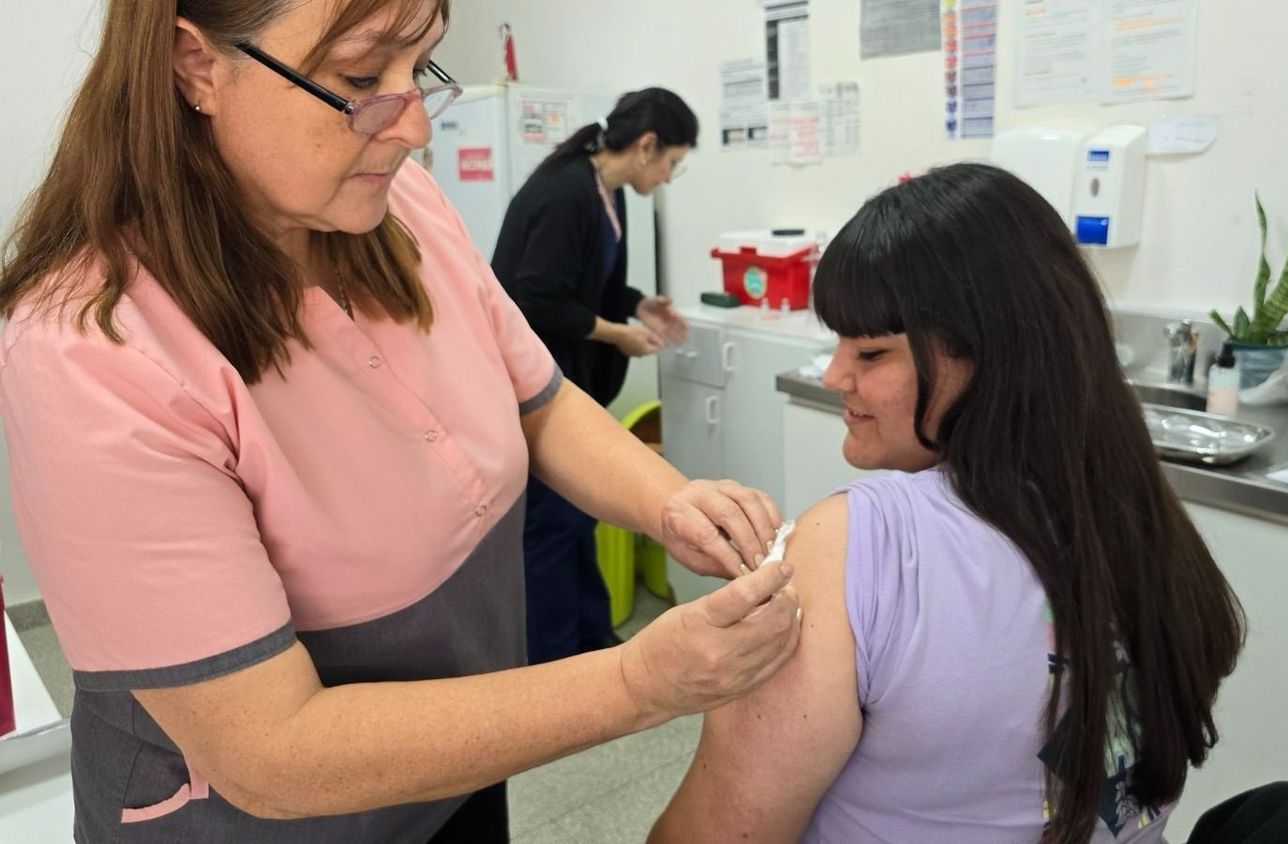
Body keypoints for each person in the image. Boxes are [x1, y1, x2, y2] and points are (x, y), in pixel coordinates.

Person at [0, 1, 800, 840]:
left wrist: (668, 501)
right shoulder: (89, 348)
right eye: (358, 78)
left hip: (453, 771)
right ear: (196, 65)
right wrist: (642, 682)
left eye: (418, 70)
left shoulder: (403, 205)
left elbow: (542, 403)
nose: (414, 126)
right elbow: (273, 752)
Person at [651, 163, 1245, 843]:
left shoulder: (858, 547)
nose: (835, 375)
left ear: (990, 356)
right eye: (837, 344)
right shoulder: (1141, 518)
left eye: (872, 354)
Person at [491, 88, 694, 664]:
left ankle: (593, 641)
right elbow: (532, 299)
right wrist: (616, 333)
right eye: (673, 162)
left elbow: (586, 282)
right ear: (647, 146)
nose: (670, 175)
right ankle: (555, 661)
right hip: (532, 389)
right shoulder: (566, 193)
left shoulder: (608, 191)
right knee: (553, 528)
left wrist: (637, 305)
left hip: (570, 385)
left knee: (579, 516)